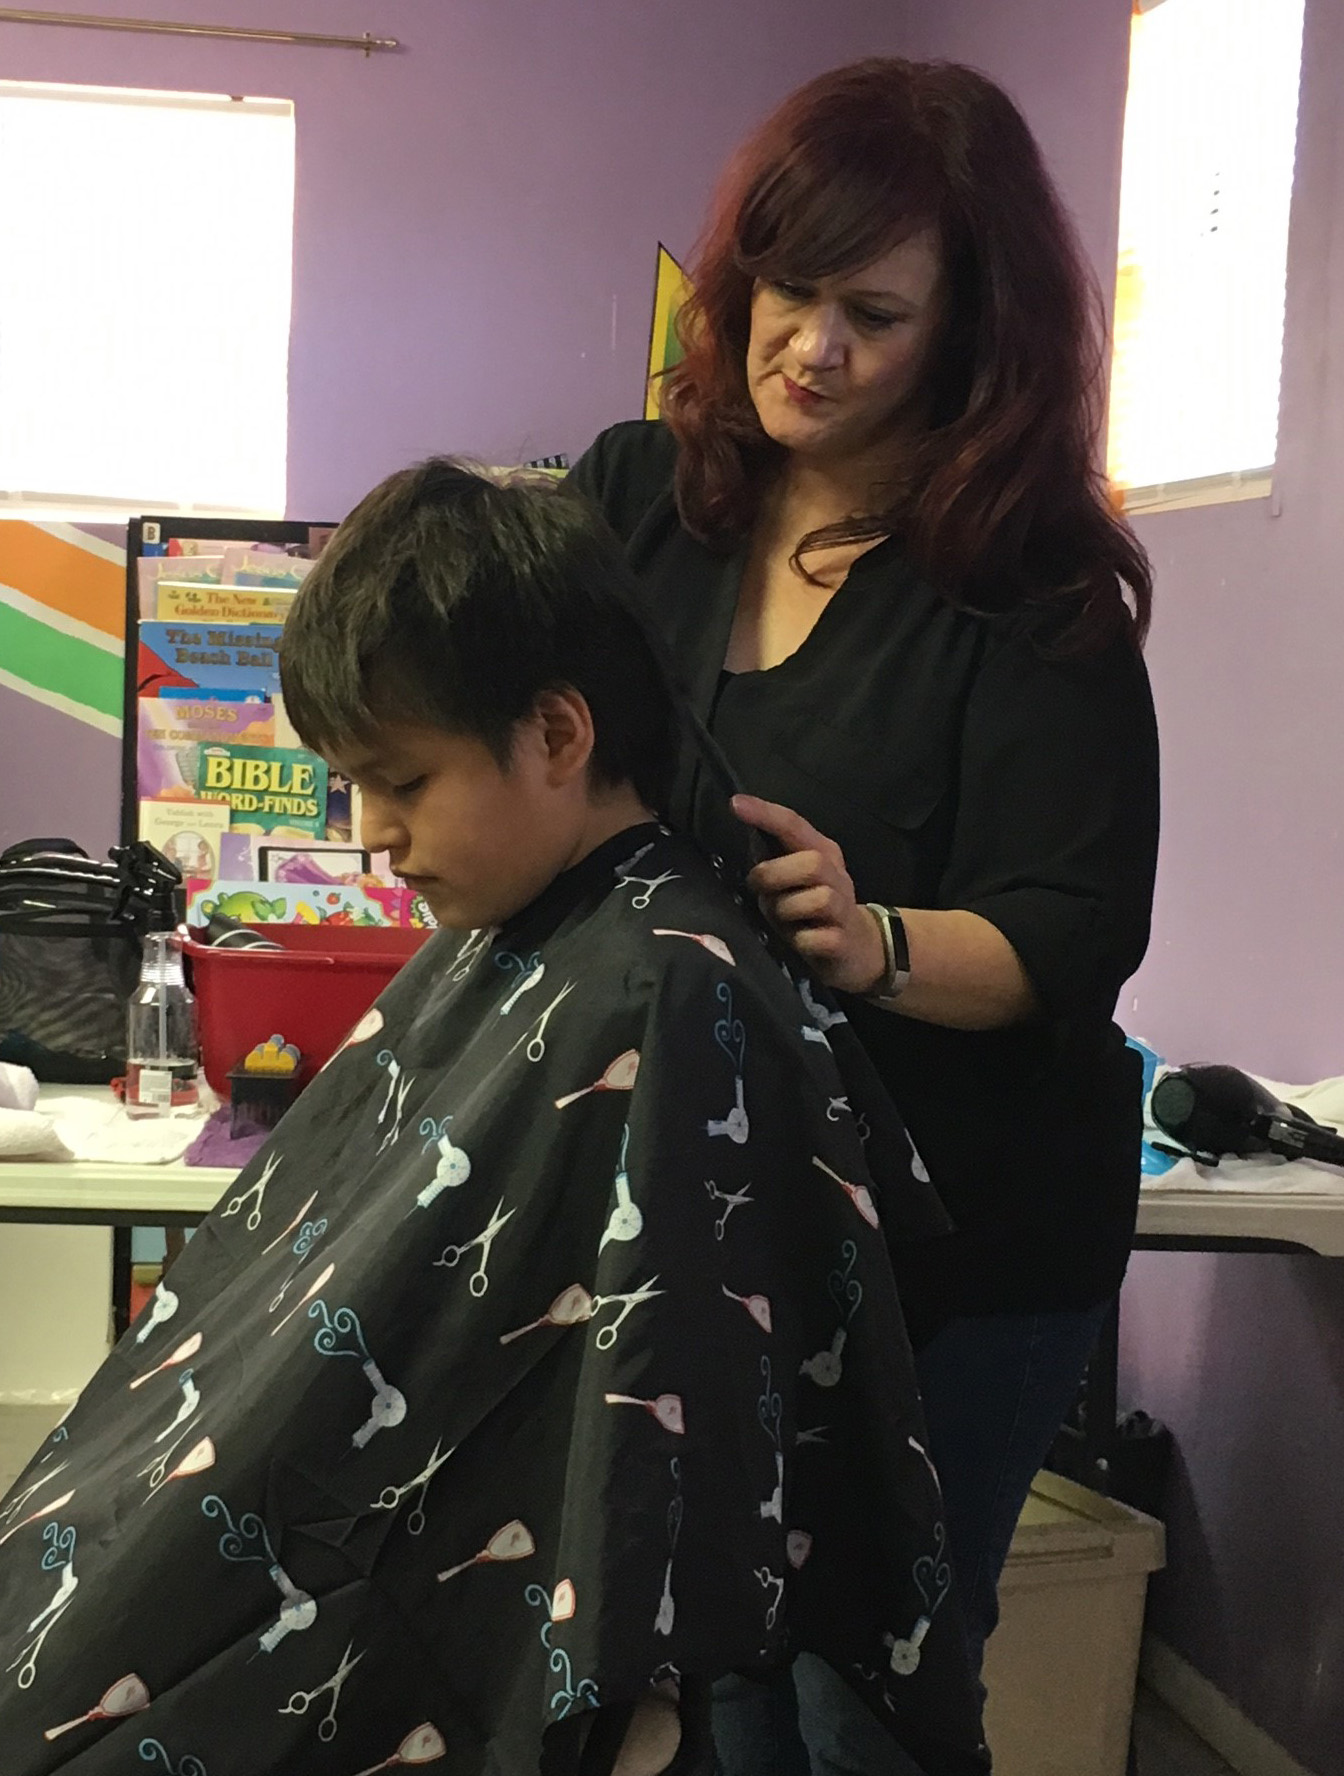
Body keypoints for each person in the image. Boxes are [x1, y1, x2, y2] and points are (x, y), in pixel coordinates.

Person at [0, 462, 987, 1776]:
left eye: (401, 783)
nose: (373, 835)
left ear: (561, 736)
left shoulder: (667, 990)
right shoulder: (551, 936)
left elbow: (649, 1464)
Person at [568, 55, 1160, 1774]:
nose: (807, 347)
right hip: (709, 1217)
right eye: (786, 291)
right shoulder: (636, 500)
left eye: (873, 315)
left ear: (972, 340)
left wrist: (872, 936)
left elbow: (1073, 932)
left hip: (957, 1248)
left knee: (861, 1694)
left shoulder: (1034, 579)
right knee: (698, 1674)